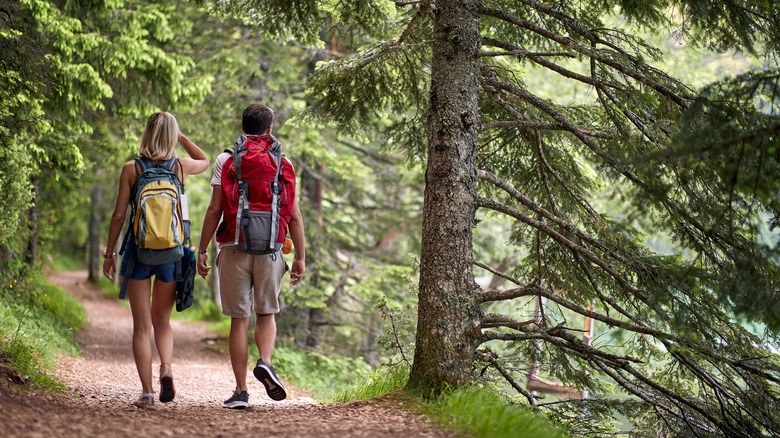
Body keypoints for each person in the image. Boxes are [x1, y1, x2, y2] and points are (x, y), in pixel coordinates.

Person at [197, 103, 306, 409]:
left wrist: (202, 248)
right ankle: (266, 362)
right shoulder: (283, 162)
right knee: (266, 312)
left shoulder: (226, 160)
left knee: (238, 320)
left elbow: (215, 208)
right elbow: (294, 215)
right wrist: (300, 256)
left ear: (242, 127)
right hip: (271, 248)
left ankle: (241, 391)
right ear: (270, 129)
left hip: (233, 247)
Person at [102, 112, 210, 408]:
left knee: (141, 327)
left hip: (139, 252)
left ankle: (148, 393)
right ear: (172, 136)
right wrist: (182, 138)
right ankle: (166, 367)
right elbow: (205, 160)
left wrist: (109, 254)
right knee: (162, 321)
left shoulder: (131, 168)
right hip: (172, 253)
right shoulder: (180, 167)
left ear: (146, 134)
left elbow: (119, 215)